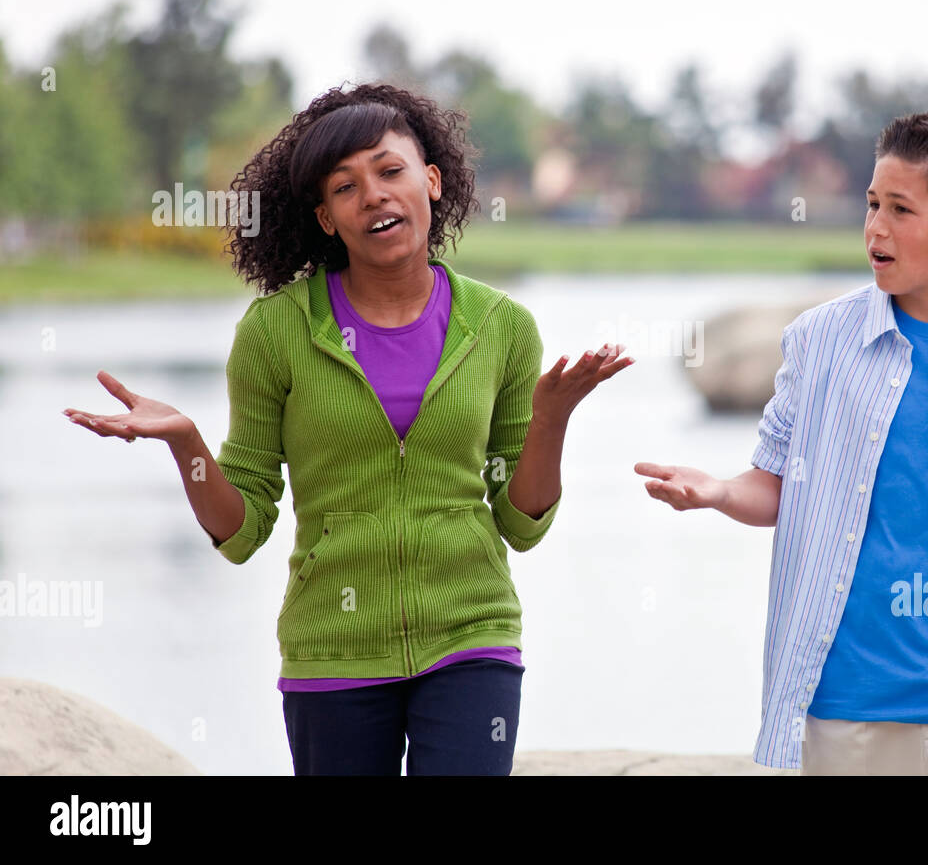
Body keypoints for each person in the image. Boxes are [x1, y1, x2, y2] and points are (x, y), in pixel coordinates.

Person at [62, 82, 633, 775]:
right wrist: (188, 445)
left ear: (431, 180)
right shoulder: (277, 333)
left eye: (390, 172)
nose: (374, 195)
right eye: (345, 187)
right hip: (333, 651)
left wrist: (551, 420)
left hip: (472, 638)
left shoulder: (502, 327)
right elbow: (240, 533)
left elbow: (523, 521)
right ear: (327, 219)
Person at [636, 109, 928, 776]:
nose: (875, 229)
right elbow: (773, 482)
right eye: (871, 204)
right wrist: (715, 492)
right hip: (848, 705)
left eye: (901, 210)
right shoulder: (818, 341)